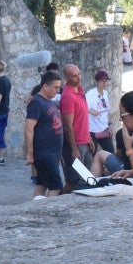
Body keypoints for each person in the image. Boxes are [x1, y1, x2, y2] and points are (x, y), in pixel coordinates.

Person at [25, 71, 64, 198]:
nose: (57, 91)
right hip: (45, 154)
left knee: (42, 184)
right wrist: (30, 154)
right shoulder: (37, 102)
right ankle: (48, 210)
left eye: (59, 87)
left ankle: (34, 208)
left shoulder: (48, 101)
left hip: (51, 153)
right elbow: (29, 128)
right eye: (55, 87)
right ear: (45, 86)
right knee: (56, 187)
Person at [59, 64, 93, 192]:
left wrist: (89, 137)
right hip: (75, 145)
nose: (78, 77)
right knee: (73, 181)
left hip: (84, 142)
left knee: (89, 177)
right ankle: (57, 200)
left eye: (79, 74)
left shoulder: (80, 91)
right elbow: (68, 126)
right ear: (66, 77)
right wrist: (74, 149)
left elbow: (82, 119)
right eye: (74, 76)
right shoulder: (68, 97)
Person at [85, 70, 114, 154]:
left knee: (111, 154)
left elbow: (105, 112)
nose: (104, 83)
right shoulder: (90, 94)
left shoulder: (105, 93)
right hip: (93, 131)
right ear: (96, 82)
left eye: (106, 81)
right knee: (92, 155)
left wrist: (109, 124)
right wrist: (90, 111)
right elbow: (82, 107)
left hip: (104, 129)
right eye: (102, 81)